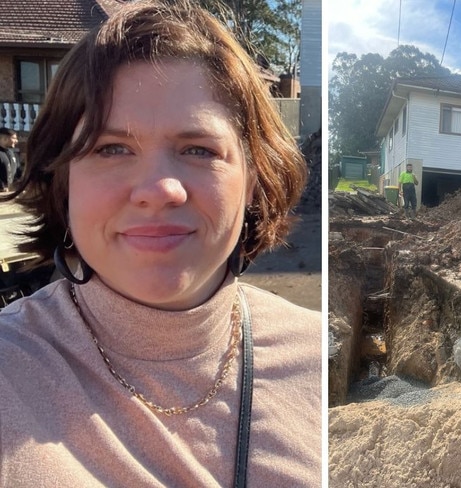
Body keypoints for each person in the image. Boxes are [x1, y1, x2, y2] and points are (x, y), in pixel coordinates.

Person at [0, 2, 321, 487]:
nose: (159, 190)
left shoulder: (316, 358)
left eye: (198, 150)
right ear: (62, 180)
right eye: (112, 149)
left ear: (253, 178)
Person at [0, 127, 18, 191]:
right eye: (14, 138)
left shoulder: (11, 153)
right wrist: (2, 186)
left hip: (10, 191)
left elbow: (17, 172)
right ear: (5, 139)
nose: (16, 141)